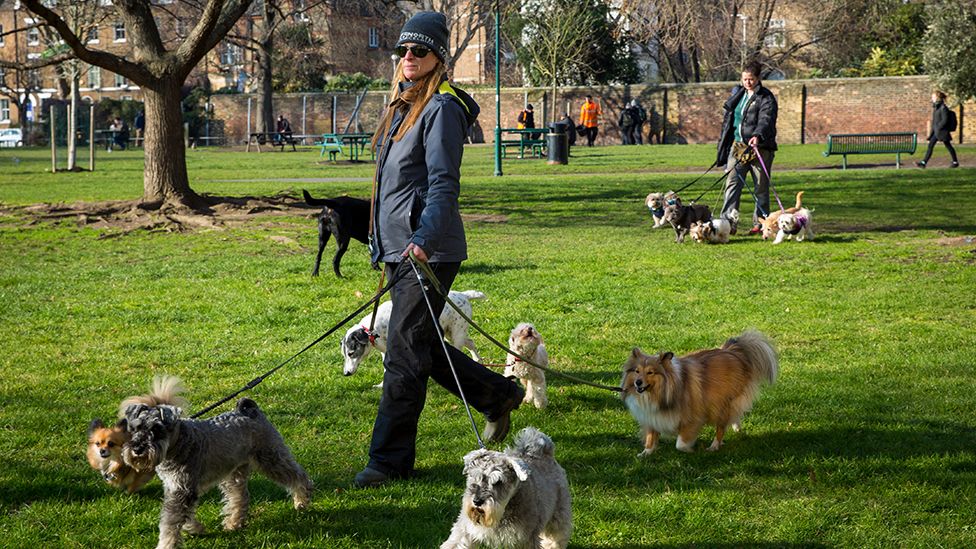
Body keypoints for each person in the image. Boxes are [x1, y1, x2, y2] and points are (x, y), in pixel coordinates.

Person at [355, 11, 524, 489]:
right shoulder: (402, 104)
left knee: (404, 355)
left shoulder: (442, 109)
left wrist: (422, 240)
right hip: (399, 248)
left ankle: (388, 462)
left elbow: (443, 186)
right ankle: (496, 394)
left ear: (438, 59)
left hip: (427, 251)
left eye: (419, 51)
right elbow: (389, 186)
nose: (409, 58)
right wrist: (380, 243)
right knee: (422, 346)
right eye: (403, 51)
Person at [715, 61, 778, 235]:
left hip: (760, 148)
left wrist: (757, 135)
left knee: (761, 187)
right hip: (739, 147)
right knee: (732, 183)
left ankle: (761, 223)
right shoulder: (738, 94)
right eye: (744, 79)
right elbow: (730, 120)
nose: (747, 82)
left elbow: (766, 119)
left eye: (751, 79)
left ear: (758, 79)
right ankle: (728, 223)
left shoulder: (766, 97)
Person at [917, 90, 959, 168]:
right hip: (937, 132)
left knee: (948, 146)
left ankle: (955, 162)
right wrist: (933, 131)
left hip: (942, 131)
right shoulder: (936, 107)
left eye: (933, 97)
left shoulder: (943, 108)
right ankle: (923, 163)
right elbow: (934, 121)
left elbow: (945, 120)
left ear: (938, 98)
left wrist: (938, 127)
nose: (932, 98)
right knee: (931, 145)